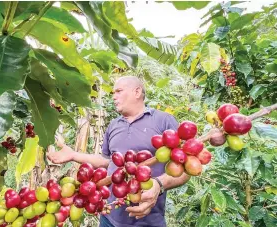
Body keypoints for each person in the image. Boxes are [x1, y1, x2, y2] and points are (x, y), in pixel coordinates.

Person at [48, 76, 190, 227]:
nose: (114, 96)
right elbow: (107, 162)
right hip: (110, 219)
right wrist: (74, 155)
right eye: (113, 93)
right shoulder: (114, 125)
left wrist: (159, 184)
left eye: (118, 91)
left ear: (137, 92)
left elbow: (185, 168)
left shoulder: (163, 121)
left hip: (148, 221)